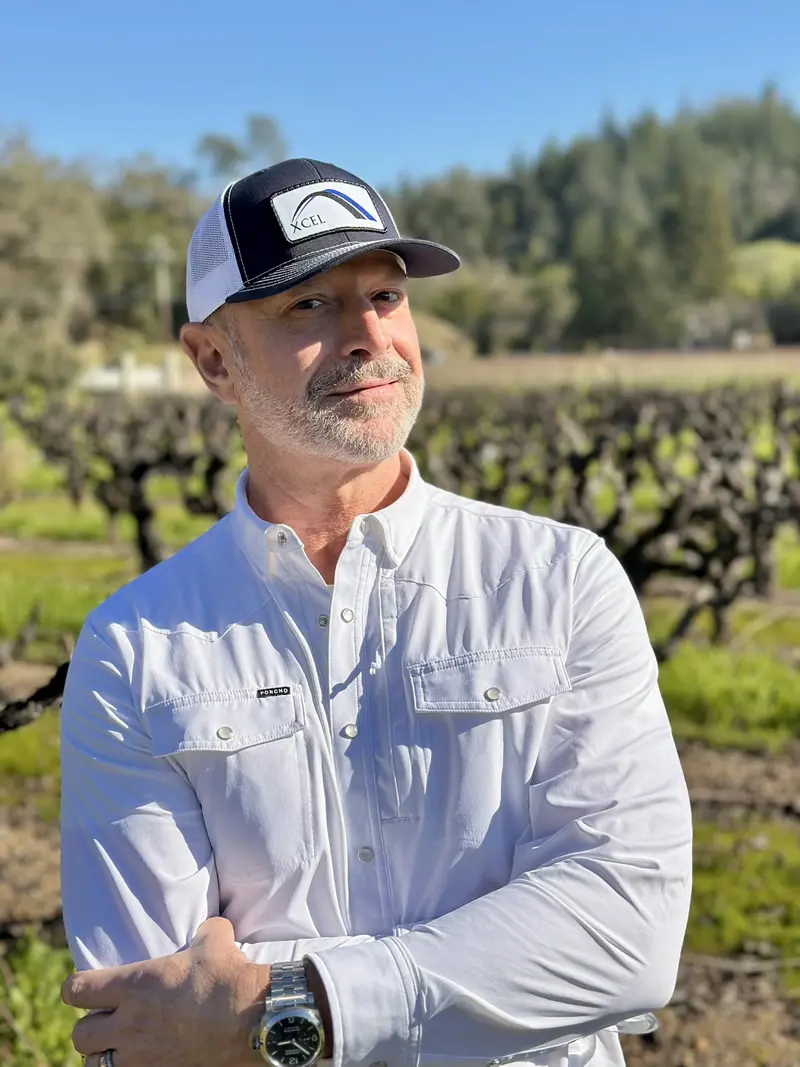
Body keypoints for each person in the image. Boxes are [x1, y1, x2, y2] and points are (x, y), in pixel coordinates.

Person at [59, 158, 693, 1067]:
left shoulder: (561, 580)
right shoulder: (136, 647)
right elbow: (151, 1019)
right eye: (307, 307)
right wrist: (502, 965)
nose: (367, 336)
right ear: (211, 360)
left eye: (386, 296)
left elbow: (626, 933)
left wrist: (290, 1009)